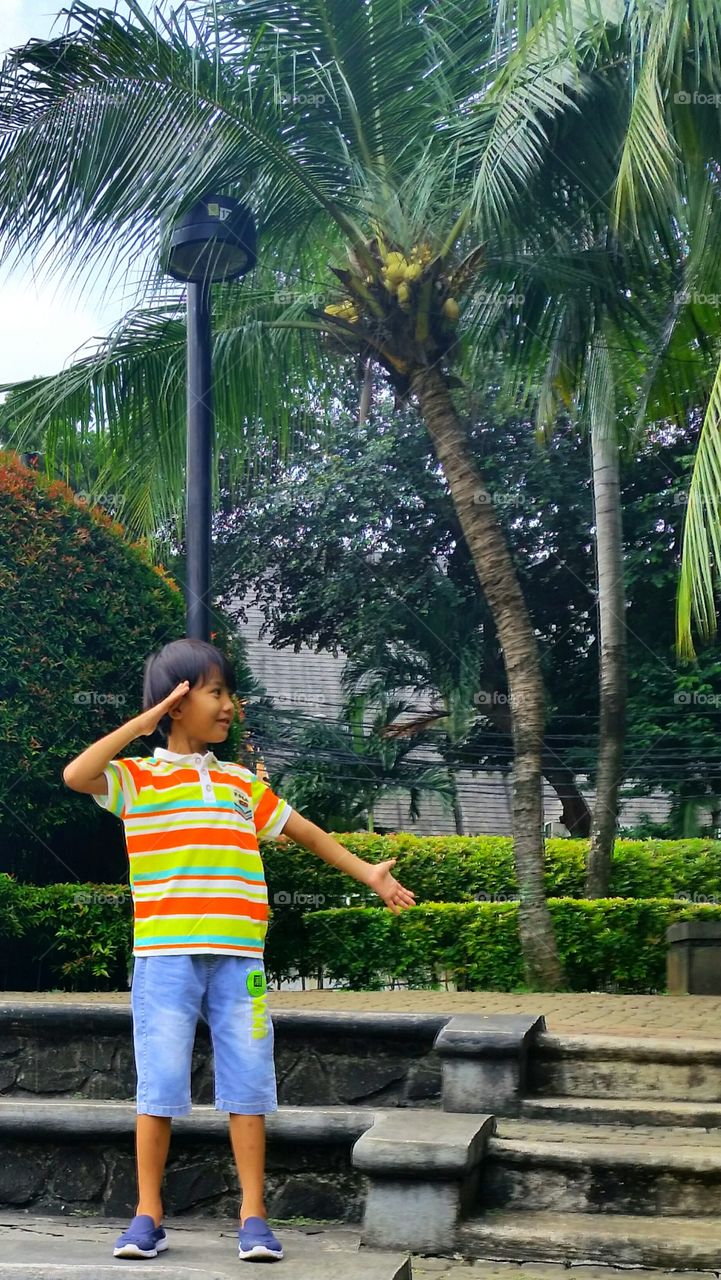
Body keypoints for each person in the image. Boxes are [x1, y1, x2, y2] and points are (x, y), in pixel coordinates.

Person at [62, 638, 416, 1264]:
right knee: (160, 1087)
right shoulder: (138, 780)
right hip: (165, 960)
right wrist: (145, 721)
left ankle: (254, 1215)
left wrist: (368, 873)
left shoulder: (240, 784)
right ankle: (148, 1214)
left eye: (229, 693)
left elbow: (304, 831)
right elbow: (76, 774)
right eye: (217, 693)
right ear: (177, 702)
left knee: (248, 1083)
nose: (230, 706)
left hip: (240, 963)